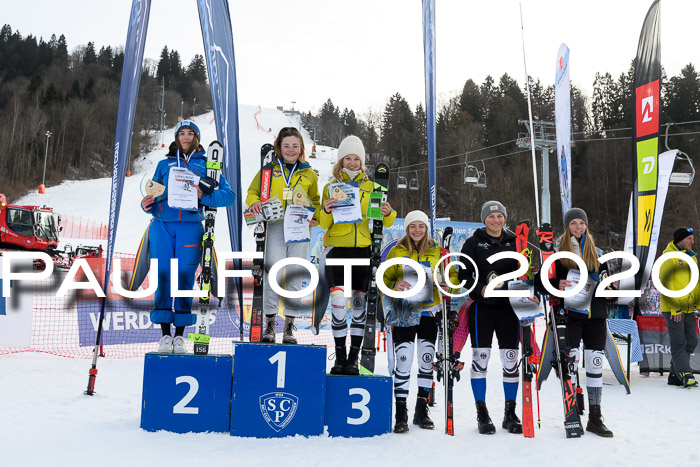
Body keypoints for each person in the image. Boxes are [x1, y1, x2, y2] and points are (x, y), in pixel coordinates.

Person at [141, 120, 235, 354]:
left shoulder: (207, 166)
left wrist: (204, 196)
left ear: (196, 137)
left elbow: (229, 197)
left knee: (184, 277)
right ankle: (164, 335)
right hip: (162, 226)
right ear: (176, 137)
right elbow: (154, 194)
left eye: (190, 133)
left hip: (191, 227)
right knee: (163, 276)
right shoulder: (164, 164)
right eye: (181, 133)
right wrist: (146, 205)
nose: (185, 137)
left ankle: (180, 336)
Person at [318, 135, 396, 374]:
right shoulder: (330, 188)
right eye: (347, 158)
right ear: (340, 161)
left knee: (360, 306)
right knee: (339, 304)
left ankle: (353, 358)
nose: (352, 163)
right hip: (337, 249)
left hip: (363, 248)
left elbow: (384, 220)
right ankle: (339, 356)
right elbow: (322, 223)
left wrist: (388, 212)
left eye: (356, 159)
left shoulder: (371, 187)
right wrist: (326, 209)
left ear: (362, 162)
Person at [458, 201, 536, 435]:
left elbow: (528, 271)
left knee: (510, 360)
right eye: (491, 216)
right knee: (481, 359)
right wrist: (479, 288)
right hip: (483, 307)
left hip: (509, 308)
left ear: (505, 218)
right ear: (484, 219)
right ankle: (482, 412)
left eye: (499, 216)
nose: (496, 220)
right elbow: (463, 275)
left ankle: (509, 413)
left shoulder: (516, 242)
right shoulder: (473, 243)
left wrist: (530, 294)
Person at [536, 208, 614, 437]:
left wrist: (610, 291)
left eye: (582, 222)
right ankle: (572, 413)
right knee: (569, 363)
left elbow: (609, 285)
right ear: (567, 226)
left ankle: (595, 417)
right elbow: (541, 283)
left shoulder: (598, 253)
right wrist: (557, 283)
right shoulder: (558, 254)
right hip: (570, 316)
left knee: (595, 365)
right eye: (574, 223)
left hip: (595, 317)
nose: (578, 227)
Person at [382, 210, 458, 433]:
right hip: (404, 310)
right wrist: (394, 285)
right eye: (413, 226)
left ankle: (421, 408)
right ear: (407, 228)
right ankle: (401, 412)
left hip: (429, 309)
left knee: (426, 360)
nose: (417, 230)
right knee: (403, 360)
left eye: (421, 226)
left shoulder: (438, 250)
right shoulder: (396, 250)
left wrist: (448, 286)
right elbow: (385, 278)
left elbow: (453, 276)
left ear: (426, 228)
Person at [246, 127, 321, 344]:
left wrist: (314, 216)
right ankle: (270, 324)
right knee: (273, 274)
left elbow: (315, 201)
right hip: (276, 226)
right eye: (286, 145)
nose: (290, 150)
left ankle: (289, 326)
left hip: (299, 228)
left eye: (295, 146)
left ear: (301, 149)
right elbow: (252, 192)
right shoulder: (268, 170)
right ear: (279, 147)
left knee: (295, 276)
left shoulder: (309, 173)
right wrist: (255, 202)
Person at [658, 227, 699, 388]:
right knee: (679, 342)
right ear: (680, 240)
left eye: (692, 238)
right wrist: (675, 308)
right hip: (673, 307)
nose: (692, 241)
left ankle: (674, 374)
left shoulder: (691, 257)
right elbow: (666, 284)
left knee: (692, 341)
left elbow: (696, 284)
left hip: (688, 308)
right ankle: (685, 373)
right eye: (689, 238)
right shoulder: (668, 257)